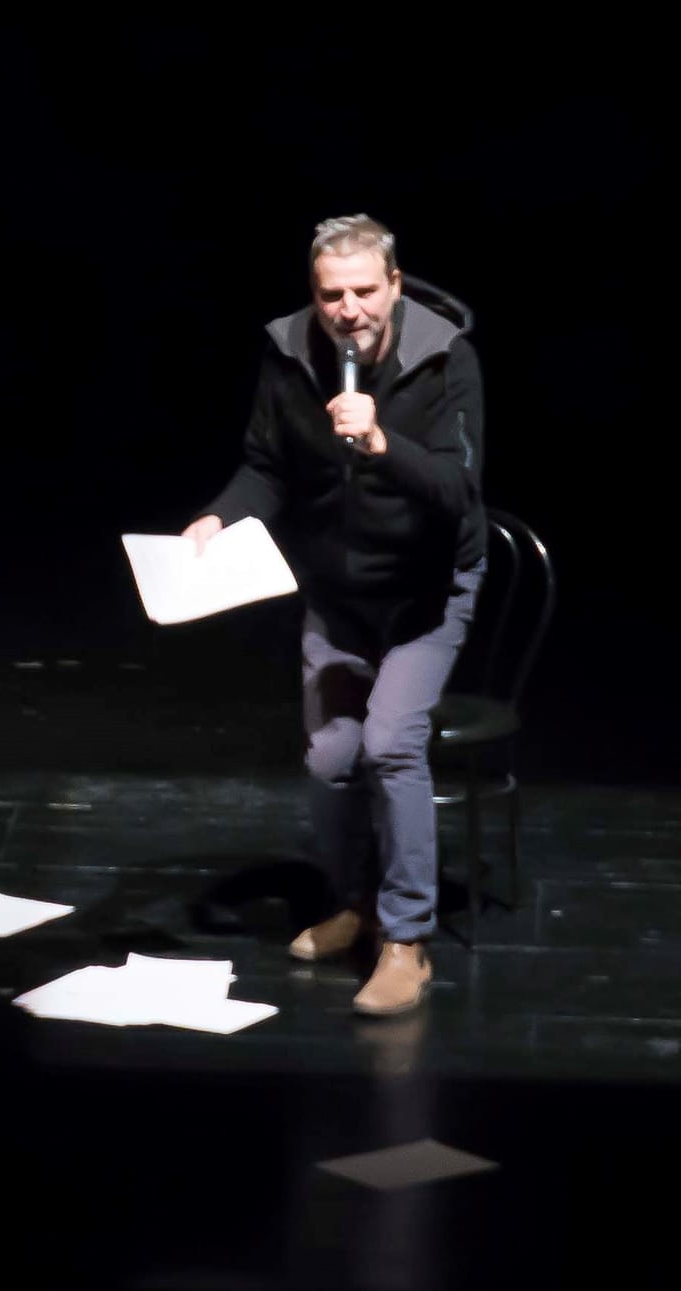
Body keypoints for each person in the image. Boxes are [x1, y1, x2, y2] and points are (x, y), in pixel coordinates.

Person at [184, 214, 486, 1016]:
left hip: (426, 587)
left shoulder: (445, 357)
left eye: (363, 291)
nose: (348, 310)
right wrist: (219, 517)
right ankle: (355, 904)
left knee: (391, 742)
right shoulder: (290, 355)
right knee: (330, 757)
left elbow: (459, 489)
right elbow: (265, 466)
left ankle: (406, 938)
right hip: (339, 592)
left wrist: (382, 440)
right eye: (331, 295)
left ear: (395, 285)